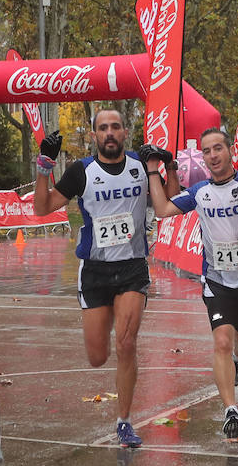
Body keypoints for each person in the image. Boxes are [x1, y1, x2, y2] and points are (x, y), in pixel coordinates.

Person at [32, 110, 180, 448]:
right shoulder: (81, 171)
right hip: (95, 271)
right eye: (103, 128)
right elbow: (42, 208)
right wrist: (44, 166)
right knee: (98, 356)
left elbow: (168, 200)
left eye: (115, 127)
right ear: (95, 135)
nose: (109, 133)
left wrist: (166, 166)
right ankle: (110, 314)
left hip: (132, 267)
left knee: (126, 344)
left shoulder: (140, 165)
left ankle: (124, 421)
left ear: (125, 132)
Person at [143, 129, 238, 439]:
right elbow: (162, 209)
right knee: (221, 341)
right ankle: (231, 411)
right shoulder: (199, 192)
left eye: (218, 148)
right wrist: (153, 171)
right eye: (207, 150)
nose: (213, 155)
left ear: (230, 150)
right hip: (216, 281)